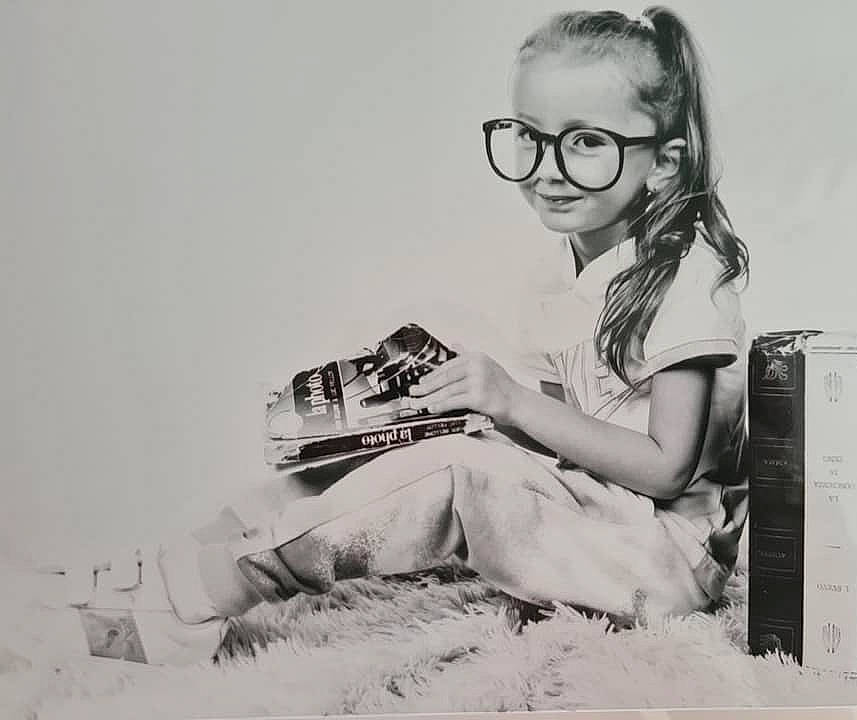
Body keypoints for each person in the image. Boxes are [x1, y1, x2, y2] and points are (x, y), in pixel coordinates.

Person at [27, 5, 750, 666]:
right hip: (599, 515)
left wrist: (511, 404)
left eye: (586, 142)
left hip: (661, 562)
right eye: (529, 137)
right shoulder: (569, 266)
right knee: (387, 446)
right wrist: (442, 411)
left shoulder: (686, 278)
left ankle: (191, 605)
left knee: (455, 473)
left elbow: (665, 470)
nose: (547, 170)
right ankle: (166, 566)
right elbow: (568, 438)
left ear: (663, 162)